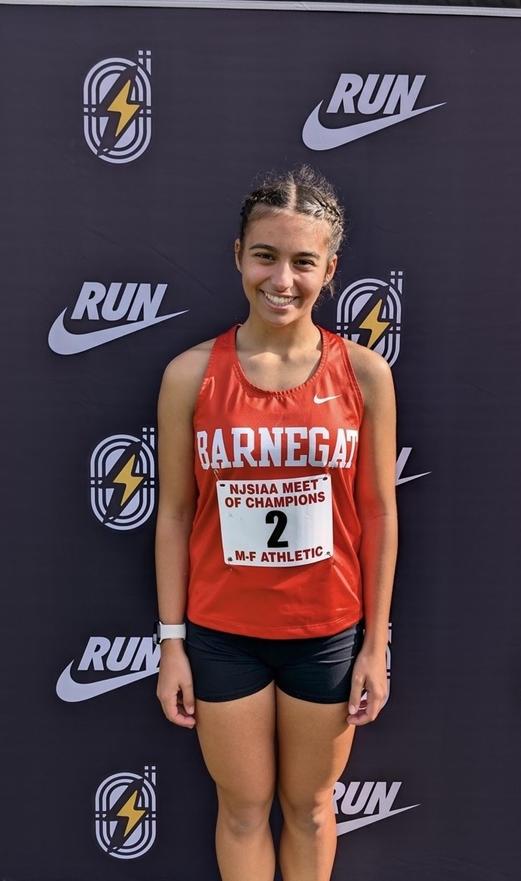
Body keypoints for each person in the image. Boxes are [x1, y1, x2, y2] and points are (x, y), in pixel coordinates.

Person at [154, 166, 398, 881]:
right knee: (241, 809)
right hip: (222, 635)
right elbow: (174, 513)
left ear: (330, 269)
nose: (282, 279)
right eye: (265, 256)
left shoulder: (364, 373)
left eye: (302, 261)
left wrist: (375, 644)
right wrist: (171, 644)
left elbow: (378, 511)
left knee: (312, 808)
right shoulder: (189, 375)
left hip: (325, 634)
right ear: (239, 256)